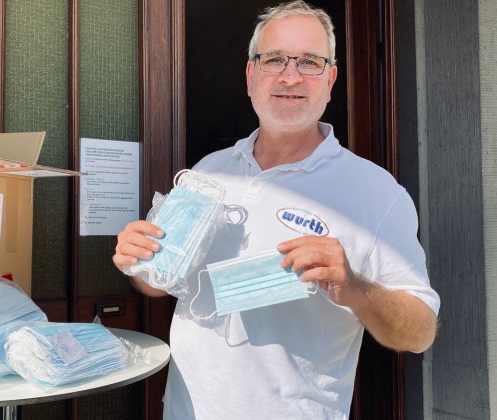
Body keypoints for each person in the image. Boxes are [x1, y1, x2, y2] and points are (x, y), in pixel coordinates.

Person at [113, 1, 439, 418]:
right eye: (273, 60)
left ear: (331, 80)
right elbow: (159, 285)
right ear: (251, 76)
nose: (290, 76)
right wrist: (140, 261)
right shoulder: (209, 171)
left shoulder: (376, 192)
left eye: (310, 62)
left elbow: (419, 333)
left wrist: (355, 288)